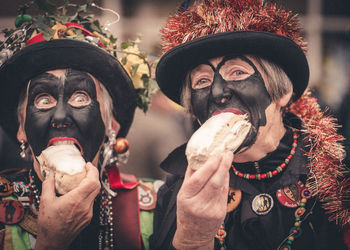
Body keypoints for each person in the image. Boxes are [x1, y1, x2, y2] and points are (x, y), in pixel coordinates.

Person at [151, 0, 350, 249]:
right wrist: (193, 237)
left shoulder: (333, 177)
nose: (217, 92)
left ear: (282, 94)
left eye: (238, 73)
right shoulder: (179, 189)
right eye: (202, 80)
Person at [0, 2, 158, 250]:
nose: (60, 116)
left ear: (111, 125)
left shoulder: (157, 207)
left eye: (80, 97)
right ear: (21, 127)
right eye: (43, 99)